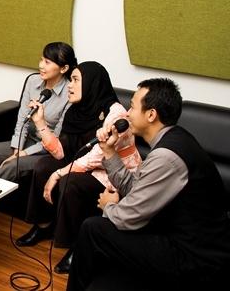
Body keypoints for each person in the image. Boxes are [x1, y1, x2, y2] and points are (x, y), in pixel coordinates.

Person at [67, 78, 230, 290]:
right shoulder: (172, 139)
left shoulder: (166, 157)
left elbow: (126, 217)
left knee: (93, 228)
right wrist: (109, 152)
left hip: (194, 256)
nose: (127, 113)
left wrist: (109, 205)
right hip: (171, 233)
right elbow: (134, 188)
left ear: (151, 114)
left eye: (132, 107)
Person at [16, 61, 141, 274]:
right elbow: (60, 152)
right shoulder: (76, 110)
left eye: (75, 80)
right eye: (71, 80)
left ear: (92, 84)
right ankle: (45, 225)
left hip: (110, 172)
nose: (70, 85)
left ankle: (79, 246)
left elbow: (95, 158)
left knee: (70, 182)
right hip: (85, 163)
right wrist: (40, 122)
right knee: (43, 165)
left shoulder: (116, 114)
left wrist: (58, 174)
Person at [0, 42, 77, 181]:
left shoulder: (70, 93)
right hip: (27, 140)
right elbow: (22, 119)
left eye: (47, 62)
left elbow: (56, 139)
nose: (41, 65)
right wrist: (17, 149)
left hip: (46, 150)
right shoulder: (32, 81)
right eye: (41, 59)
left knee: (12, 165)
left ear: (64, 68)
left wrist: (23, 154)